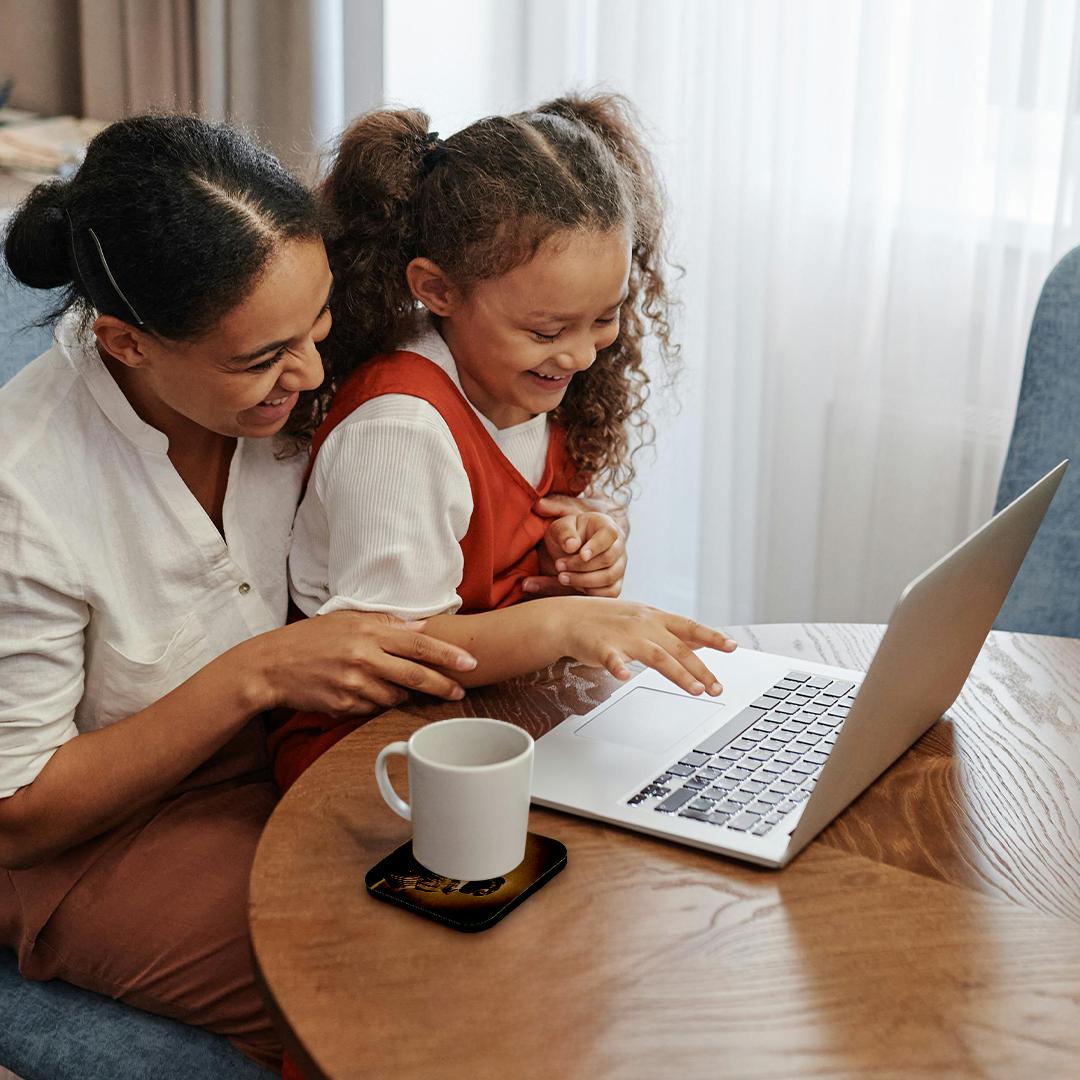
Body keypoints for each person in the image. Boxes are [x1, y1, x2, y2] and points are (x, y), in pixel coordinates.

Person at [0, 114, 479, 1071]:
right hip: (94, 840)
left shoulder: (294, 386)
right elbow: (18, 810)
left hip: (290, 763)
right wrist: (257, 674)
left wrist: (577, 522)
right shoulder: (27, 489)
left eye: (319, 326)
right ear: (126, 344)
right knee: (391, 994)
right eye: (261, 358)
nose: (307, 374)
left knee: (519, 909)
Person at [271, 93, 737, 794]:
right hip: (370, 750)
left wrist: (590, 539)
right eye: (549, 331)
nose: (581, 356)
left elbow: (526, 519)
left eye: (604, 319)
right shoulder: (399, 430)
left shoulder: (524, 381)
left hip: (492, 718)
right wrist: (565, 624)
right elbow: (400, 649)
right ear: (436, 289)